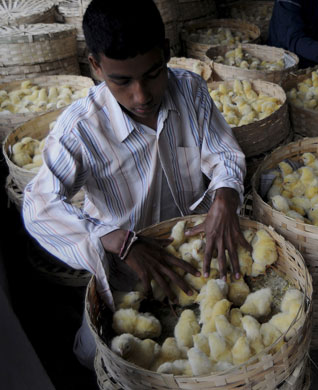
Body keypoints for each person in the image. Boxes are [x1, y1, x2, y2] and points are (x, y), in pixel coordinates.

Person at [22, 0, 250, 369]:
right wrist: (116, 240)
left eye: (153, 74)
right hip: (127, 265)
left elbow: (222, 154)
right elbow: (38, 206)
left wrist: (225, 194)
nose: (141, 96)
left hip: (189, 252)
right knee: (101, 351)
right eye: (122, 81)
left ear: (167, 53)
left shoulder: (191, 92)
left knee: (191, 347)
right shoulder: (80, 128)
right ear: (96, 67)